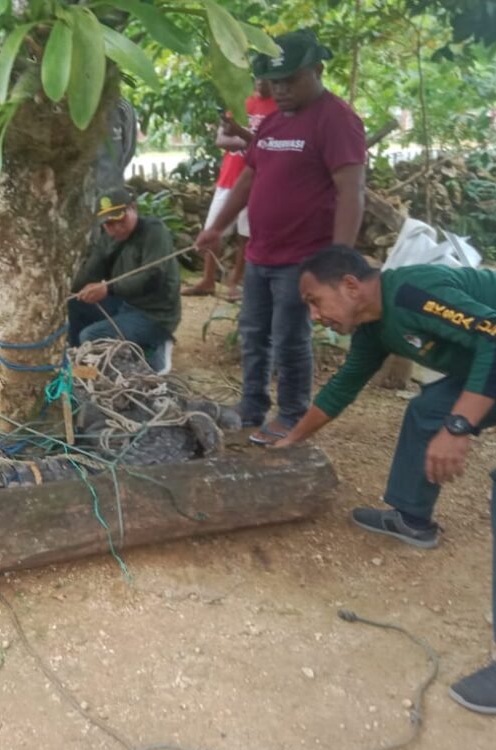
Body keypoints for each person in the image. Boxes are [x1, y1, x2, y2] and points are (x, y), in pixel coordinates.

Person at [273, 246, 496, 716]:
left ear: (350, 285)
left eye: (314, 300)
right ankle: (412, 517)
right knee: (428, 410)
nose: (315, 315)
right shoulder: (374, 327)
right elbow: (345, 385)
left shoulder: (415, 292)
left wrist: (460, 427)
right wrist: (292, 440)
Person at [194, 29, 366, 442]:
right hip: (261, 254)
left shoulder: (337, 119)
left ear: (318, 70)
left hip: (304, 259)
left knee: (291, 338)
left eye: (291, 79)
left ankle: (292, 413)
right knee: (254, 334)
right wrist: (217, 226)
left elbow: (351, 191)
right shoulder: (272, 120)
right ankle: (252, 406)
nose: (281, 89)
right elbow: (250, 176)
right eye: (276, 81)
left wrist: (338, 258)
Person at [69, 187, 180, 373]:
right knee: (75, 305)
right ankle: (79, 366)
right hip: (125, 306)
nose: (116, 227)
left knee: (91, 335)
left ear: (133, 208)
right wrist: (69, 291)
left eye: (121, 218)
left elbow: (152, 277)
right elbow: (89, 274)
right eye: (109, 223)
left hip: (155, 315)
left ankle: (150, 355)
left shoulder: (154, 232)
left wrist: (107, 289)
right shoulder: (108, 240)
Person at [183, 80, 276, 300]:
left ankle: (235, 283)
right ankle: (207, 281)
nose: (261, 83)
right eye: (257, 78)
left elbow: (272, 145)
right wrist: (249, 142)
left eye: (267, 78)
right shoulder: (241, 102)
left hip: (258, 179)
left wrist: (243, 138)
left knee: (247, 234)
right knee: (213, 229)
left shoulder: (279, 106)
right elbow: (221, 139)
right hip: (229, 177)